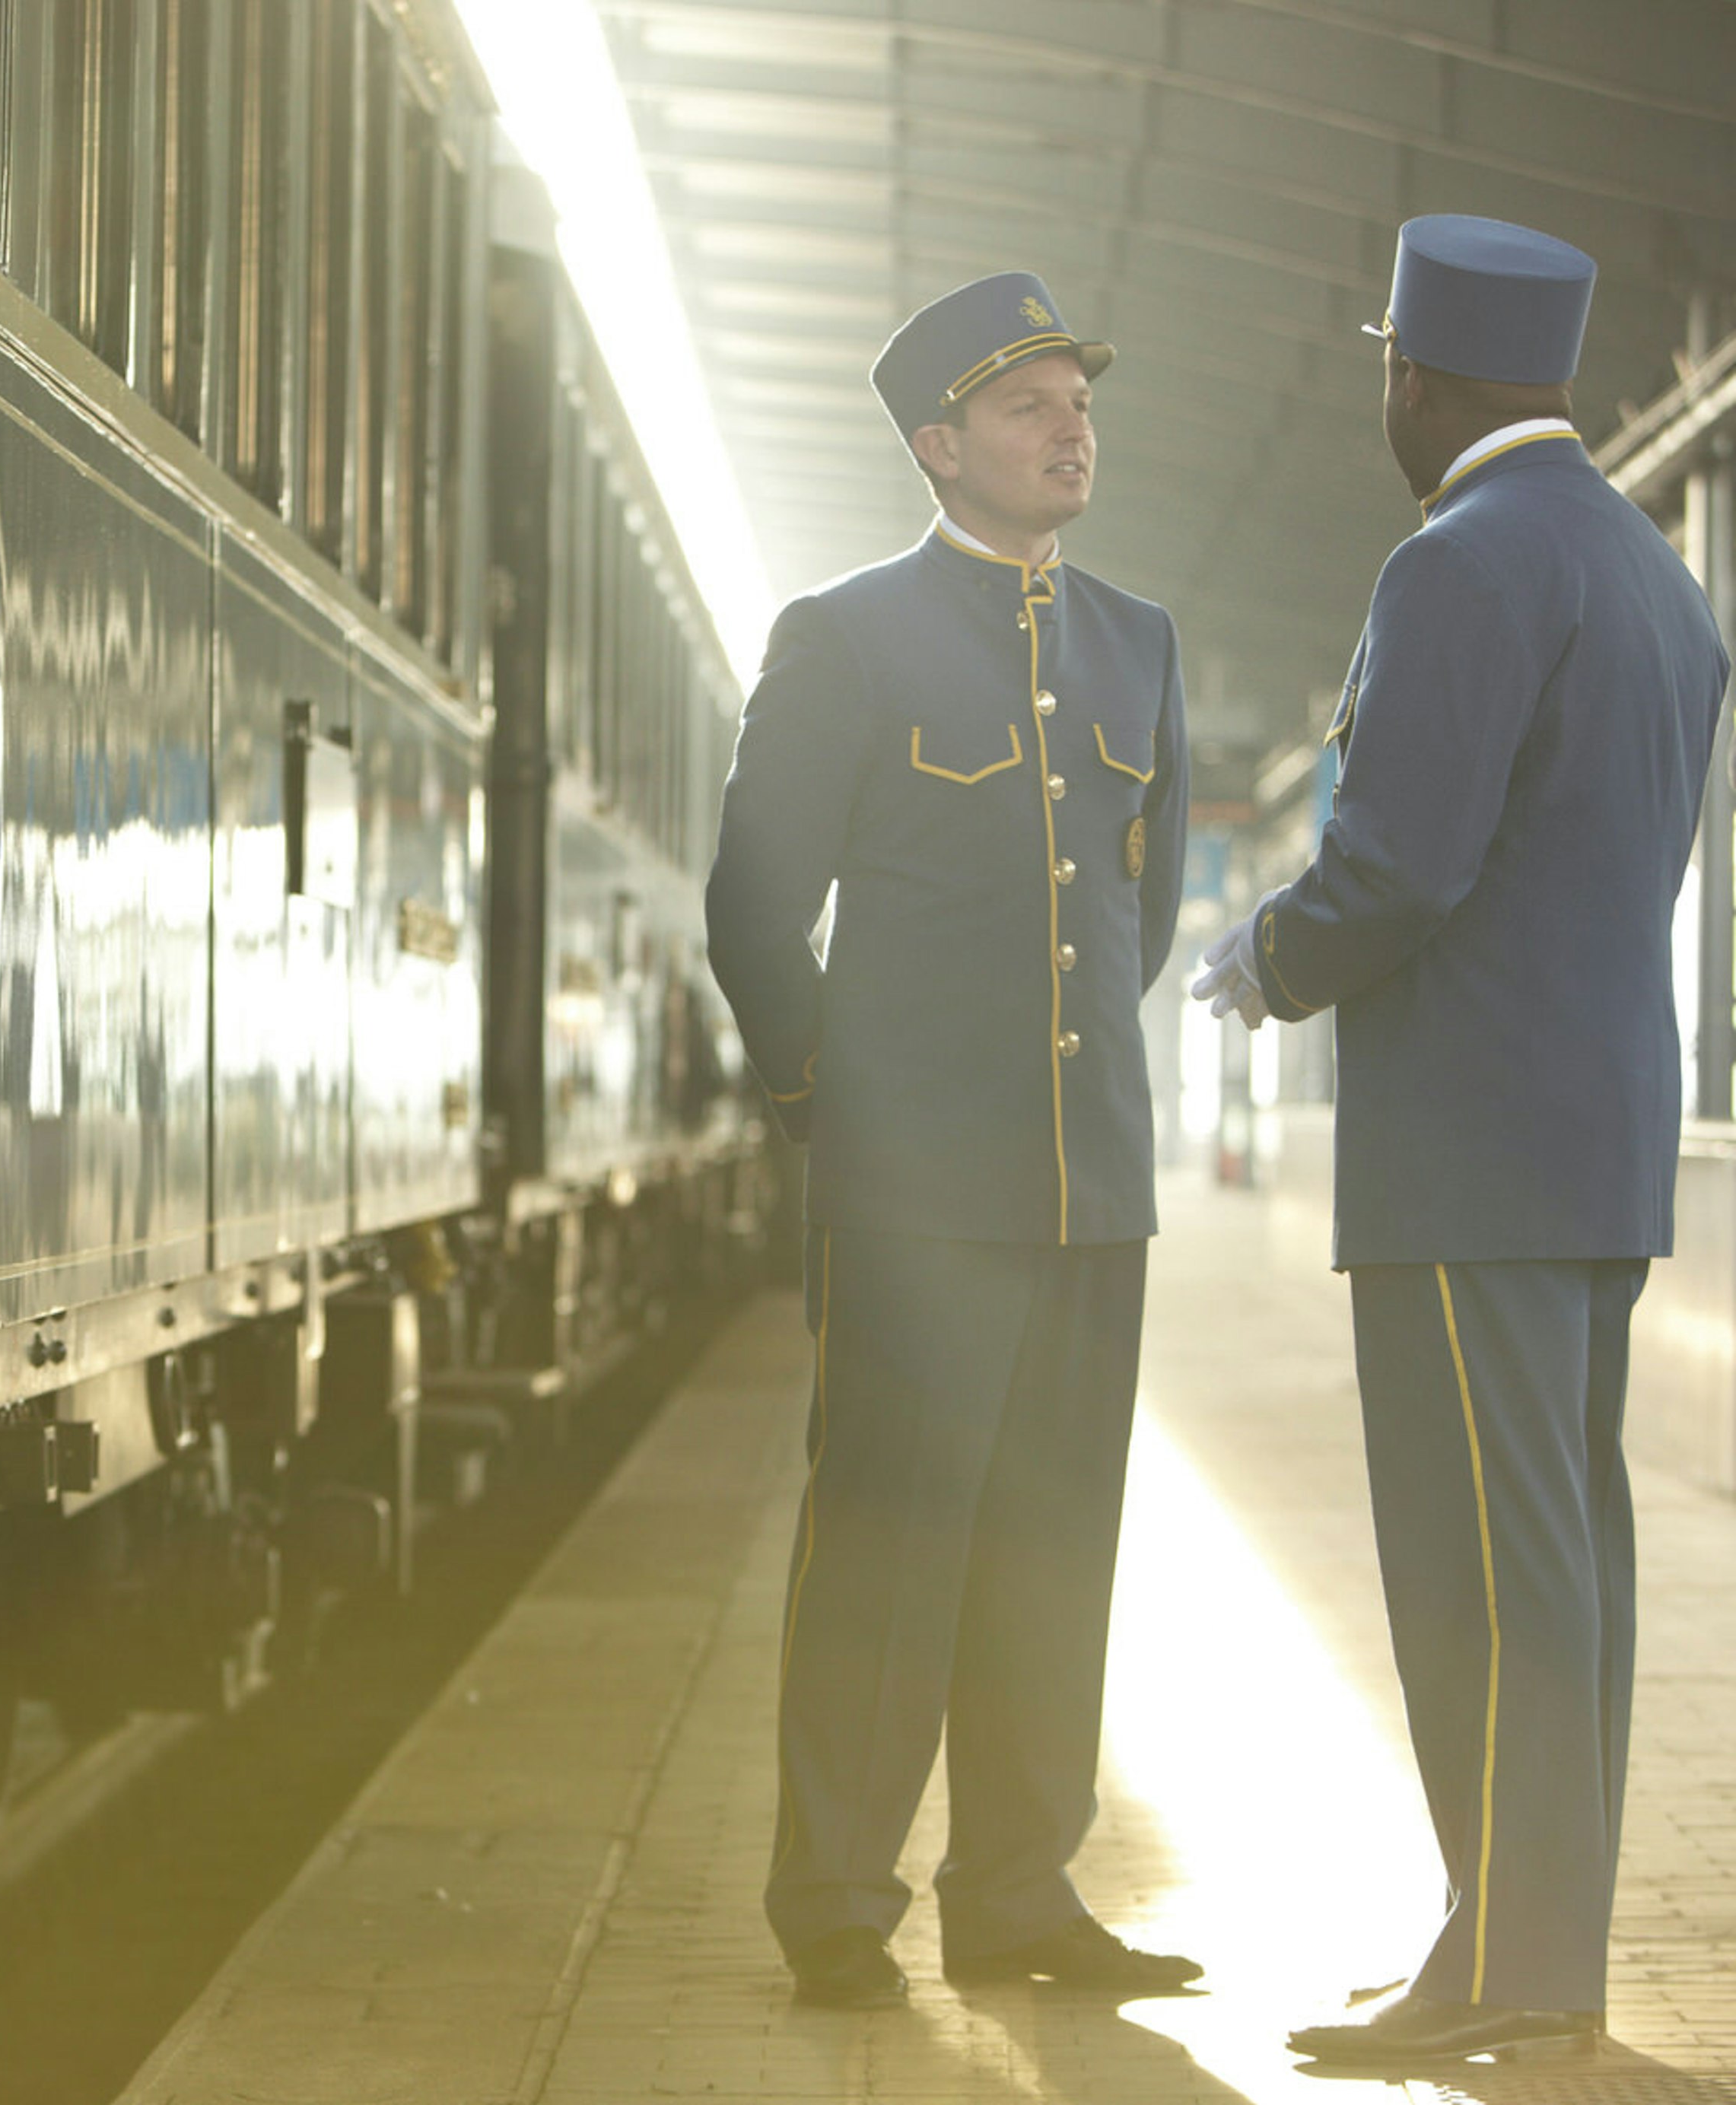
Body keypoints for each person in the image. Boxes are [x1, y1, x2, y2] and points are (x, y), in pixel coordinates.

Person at [1192, 216, 1731, 2065]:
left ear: (1417, 377)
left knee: (1477, 1571)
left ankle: (1507, 1974)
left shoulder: (1460, 563)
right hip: (1594, 1149)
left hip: (1467, 1155)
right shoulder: (1659, 580)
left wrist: (1263, 957)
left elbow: (1400, 864)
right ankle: (1527, 1944)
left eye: (1388, 376)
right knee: (1566, 1558)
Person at [705, 275, 1196, 2009]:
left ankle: (1017, 1895)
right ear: (936, 447)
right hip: (913, 1197)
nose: (1071, 428)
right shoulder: (844, 635)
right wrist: (835, 1113)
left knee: (1057, 1548)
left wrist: (1087, 1120)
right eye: (1026, 407)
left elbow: (1147, 907)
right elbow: (757, 909)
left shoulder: (1139, 639)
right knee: (892, 1547)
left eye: (1079, 398)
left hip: (1089, 1193)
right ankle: (838, 1896)